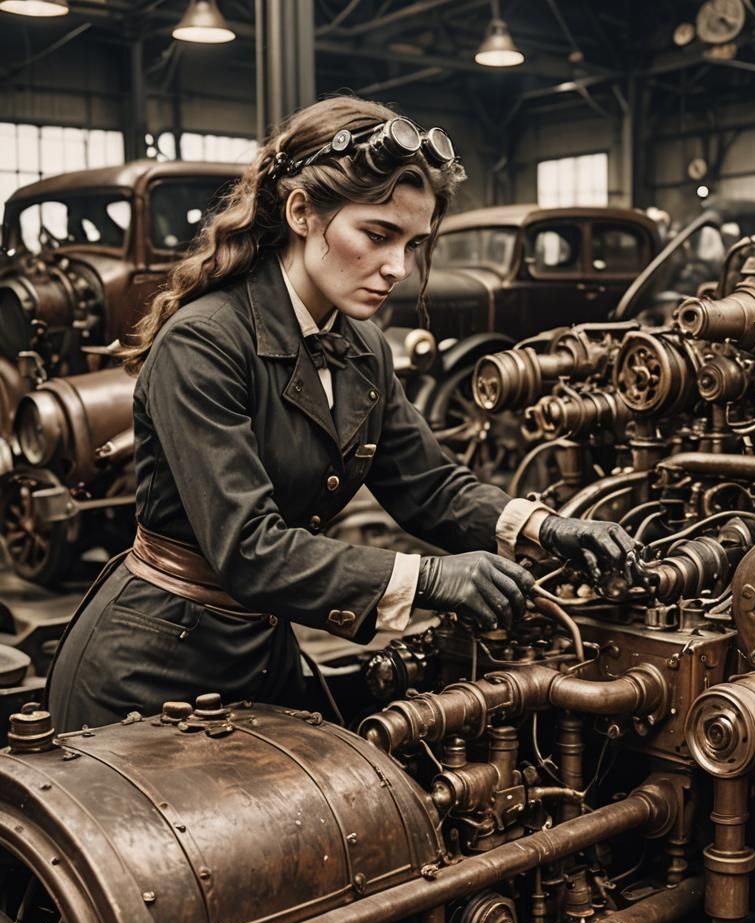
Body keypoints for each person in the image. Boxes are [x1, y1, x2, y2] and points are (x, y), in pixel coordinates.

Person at [46, 96, 636, 733]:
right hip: (150, 670)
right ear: (301, 212)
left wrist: (546, 528)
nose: (396, 269)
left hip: (259, 653)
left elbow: (428, 485)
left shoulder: (362, 346)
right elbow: (249, 548)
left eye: (413, 243)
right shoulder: (204, 343)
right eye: (377, 235)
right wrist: (429, 576)